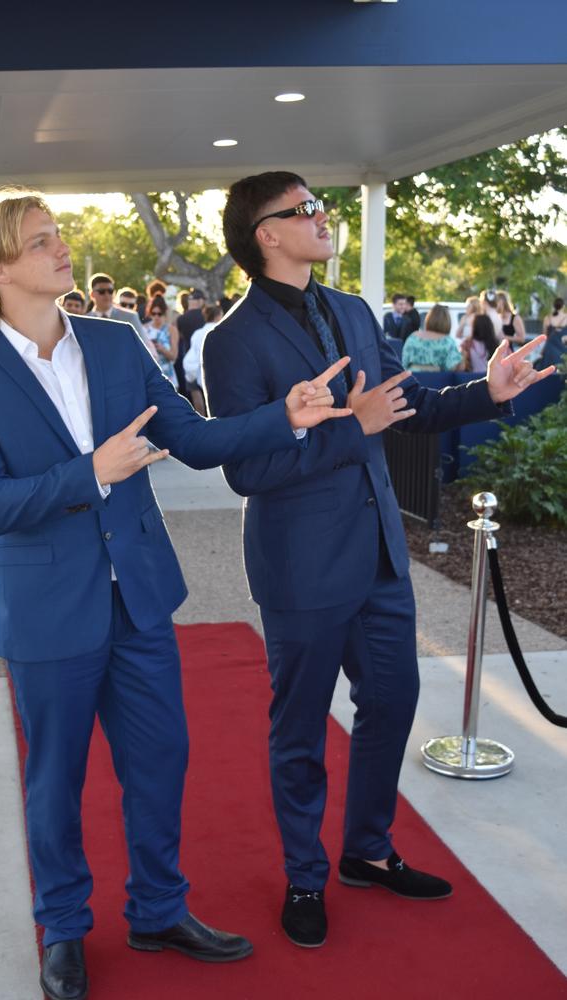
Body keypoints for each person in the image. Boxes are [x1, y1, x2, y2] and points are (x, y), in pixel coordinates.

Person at [0, 189, 350, 1000]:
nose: (63, 248)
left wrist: (284, 416)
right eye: (42, 240)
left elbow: (190, 438)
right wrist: (90, 473)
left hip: (141, 599)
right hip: (49, 611)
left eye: (59, 234)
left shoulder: (117, 344)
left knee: (161, 762)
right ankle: (63, 929)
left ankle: (159, 909)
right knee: (55, 780)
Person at [202, 170, 554, 950]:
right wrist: (348, 427)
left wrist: (486, 392)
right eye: (305, 210)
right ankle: (304, 877)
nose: (323, 218)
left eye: (320, 204)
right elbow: (247, 468)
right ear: (266, 233)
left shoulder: (355, 311)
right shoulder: (233, 341)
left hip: (381, 561)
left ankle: (366, 849)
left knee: (391, 703)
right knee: (298, 732)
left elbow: (408, 406)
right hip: (300, 567)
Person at [86, 273, 158, 360]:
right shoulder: (84, 321)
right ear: (92, 294)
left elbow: (145, 347)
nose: (107, 295)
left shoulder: (130, 317)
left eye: (110, 291)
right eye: (102, 291)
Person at [183, 304, 223, 415]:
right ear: (218, 315)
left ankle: (201, 419)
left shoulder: (198, 333)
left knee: (198, 402)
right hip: (213, 369)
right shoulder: (220, 331)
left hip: (194, 367)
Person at [401, 304, 462, 372]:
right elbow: (452, 367)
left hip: (414, 379)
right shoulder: (448, 342)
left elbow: (404, 363)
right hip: (439, 380)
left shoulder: (413, 337)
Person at [175, 289, 207, 397]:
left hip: (189, 355)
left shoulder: (181, 319)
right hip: (206, 355)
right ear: (200, 301)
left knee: (194, 391)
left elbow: (180, 337)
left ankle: (199, 414)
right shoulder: (205, 316)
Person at [145, 295, 179, 386]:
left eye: (159, 314)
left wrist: (162, 349)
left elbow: (174, 356)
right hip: (150, 377)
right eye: (153, 313)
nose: (156, 317)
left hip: (168, 377)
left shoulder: (171, 330)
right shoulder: (144, 329)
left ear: (164, 313)